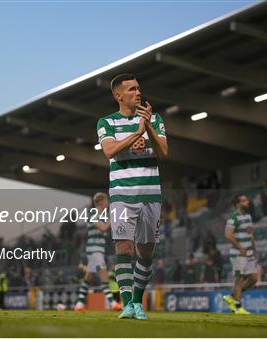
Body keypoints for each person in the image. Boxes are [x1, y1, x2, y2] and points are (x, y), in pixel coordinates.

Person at [97, 74, 168, 320]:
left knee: (146, 252)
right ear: (119, 95)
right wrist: (138, 133)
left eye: (138, 88)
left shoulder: (155, 119)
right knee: (124, 247)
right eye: (132, 89)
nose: (138, 92)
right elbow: (109, 151)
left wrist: (146, 126)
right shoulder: (107, 123)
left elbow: (164, 152)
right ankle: (127, 303)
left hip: (151, 194)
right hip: (122, 195)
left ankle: (137, 301)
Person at [74, 192, 120, 311]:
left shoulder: (101, 214)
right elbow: (103, 228)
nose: (107, 203)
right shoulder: (93, 213)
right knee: (103, 275)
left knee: (88, 276)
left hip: (97, 250)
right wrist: (113, 218)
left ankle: (79, 304)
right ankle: (113, 303)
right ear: (100, 202)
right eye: (106, 201)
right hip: (95, 251)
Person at [223, 194, 258, 315]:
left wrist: (253, 245)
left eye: (247, 200)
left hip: (248, 253)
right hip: (238, 253)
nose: (247, 202)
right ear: (238, 204)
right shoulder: (233, 217)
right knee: (239, 279)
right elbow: (228, 235)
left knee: (254, 278)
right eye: (244, 200)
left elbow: (250, 233)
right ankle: (238, 307)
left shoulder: (248, 216)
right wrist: (240, 247)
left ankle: (232, 297)